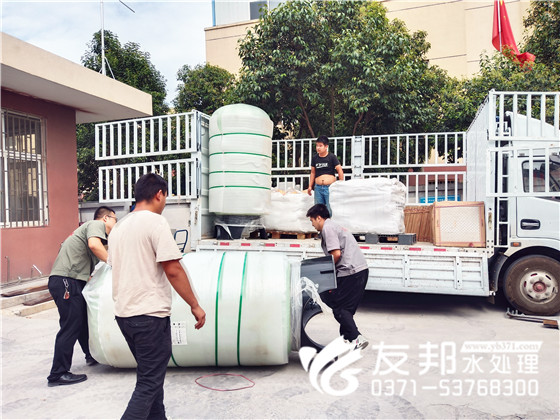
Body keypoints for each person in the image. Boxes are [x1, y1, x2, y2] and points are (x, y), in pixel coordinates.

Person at [108, 173, 206, 420]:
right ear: (159, 194)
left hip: (124, 316)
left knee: (152, 379)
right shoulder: (155, 223)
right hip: (149, 317)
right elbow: (172, 269)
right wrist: (194, 305)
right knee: (149, 383)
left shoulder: (119, 227)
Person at [47, 205, 117, 387]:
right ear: (106, 218)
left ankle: (90, 355)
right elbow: (94, 246)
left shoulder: (91, 235)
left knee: (82, 321)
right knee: (70, 325)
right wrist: (115, 263)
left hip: (71, 281)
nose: (116, 224)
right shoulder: (95, 225)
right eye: (115, 220)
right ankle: (58, 374)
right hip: (66, 281)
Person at [306, 203, 369, 350]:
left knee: (338, 307)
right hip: (360, 271)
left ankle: (356, 338)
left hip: (350, 272)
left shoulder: (327, 228)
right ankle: (347, 338)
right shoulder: (334, 226)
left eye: (312, 220)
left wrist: (325, 271)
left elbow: (336, 254)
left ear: (319, 218)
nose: (312, 224)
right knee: (346, 309)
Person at [307, 135, 344, 216]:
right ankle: (321, 224)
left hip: (329, 188)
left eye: (320, 146)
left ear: (326, 146)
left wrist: (341, 184)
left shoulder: (332, 157)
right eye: (317, 145)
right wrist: (310, 186)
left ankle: (330, 223)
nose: (318, 148)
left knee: (330, 209)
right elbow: (313, 173)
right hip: (318, 188)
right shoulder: (315, 158)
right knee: (318, 210)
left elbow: (339, 170)